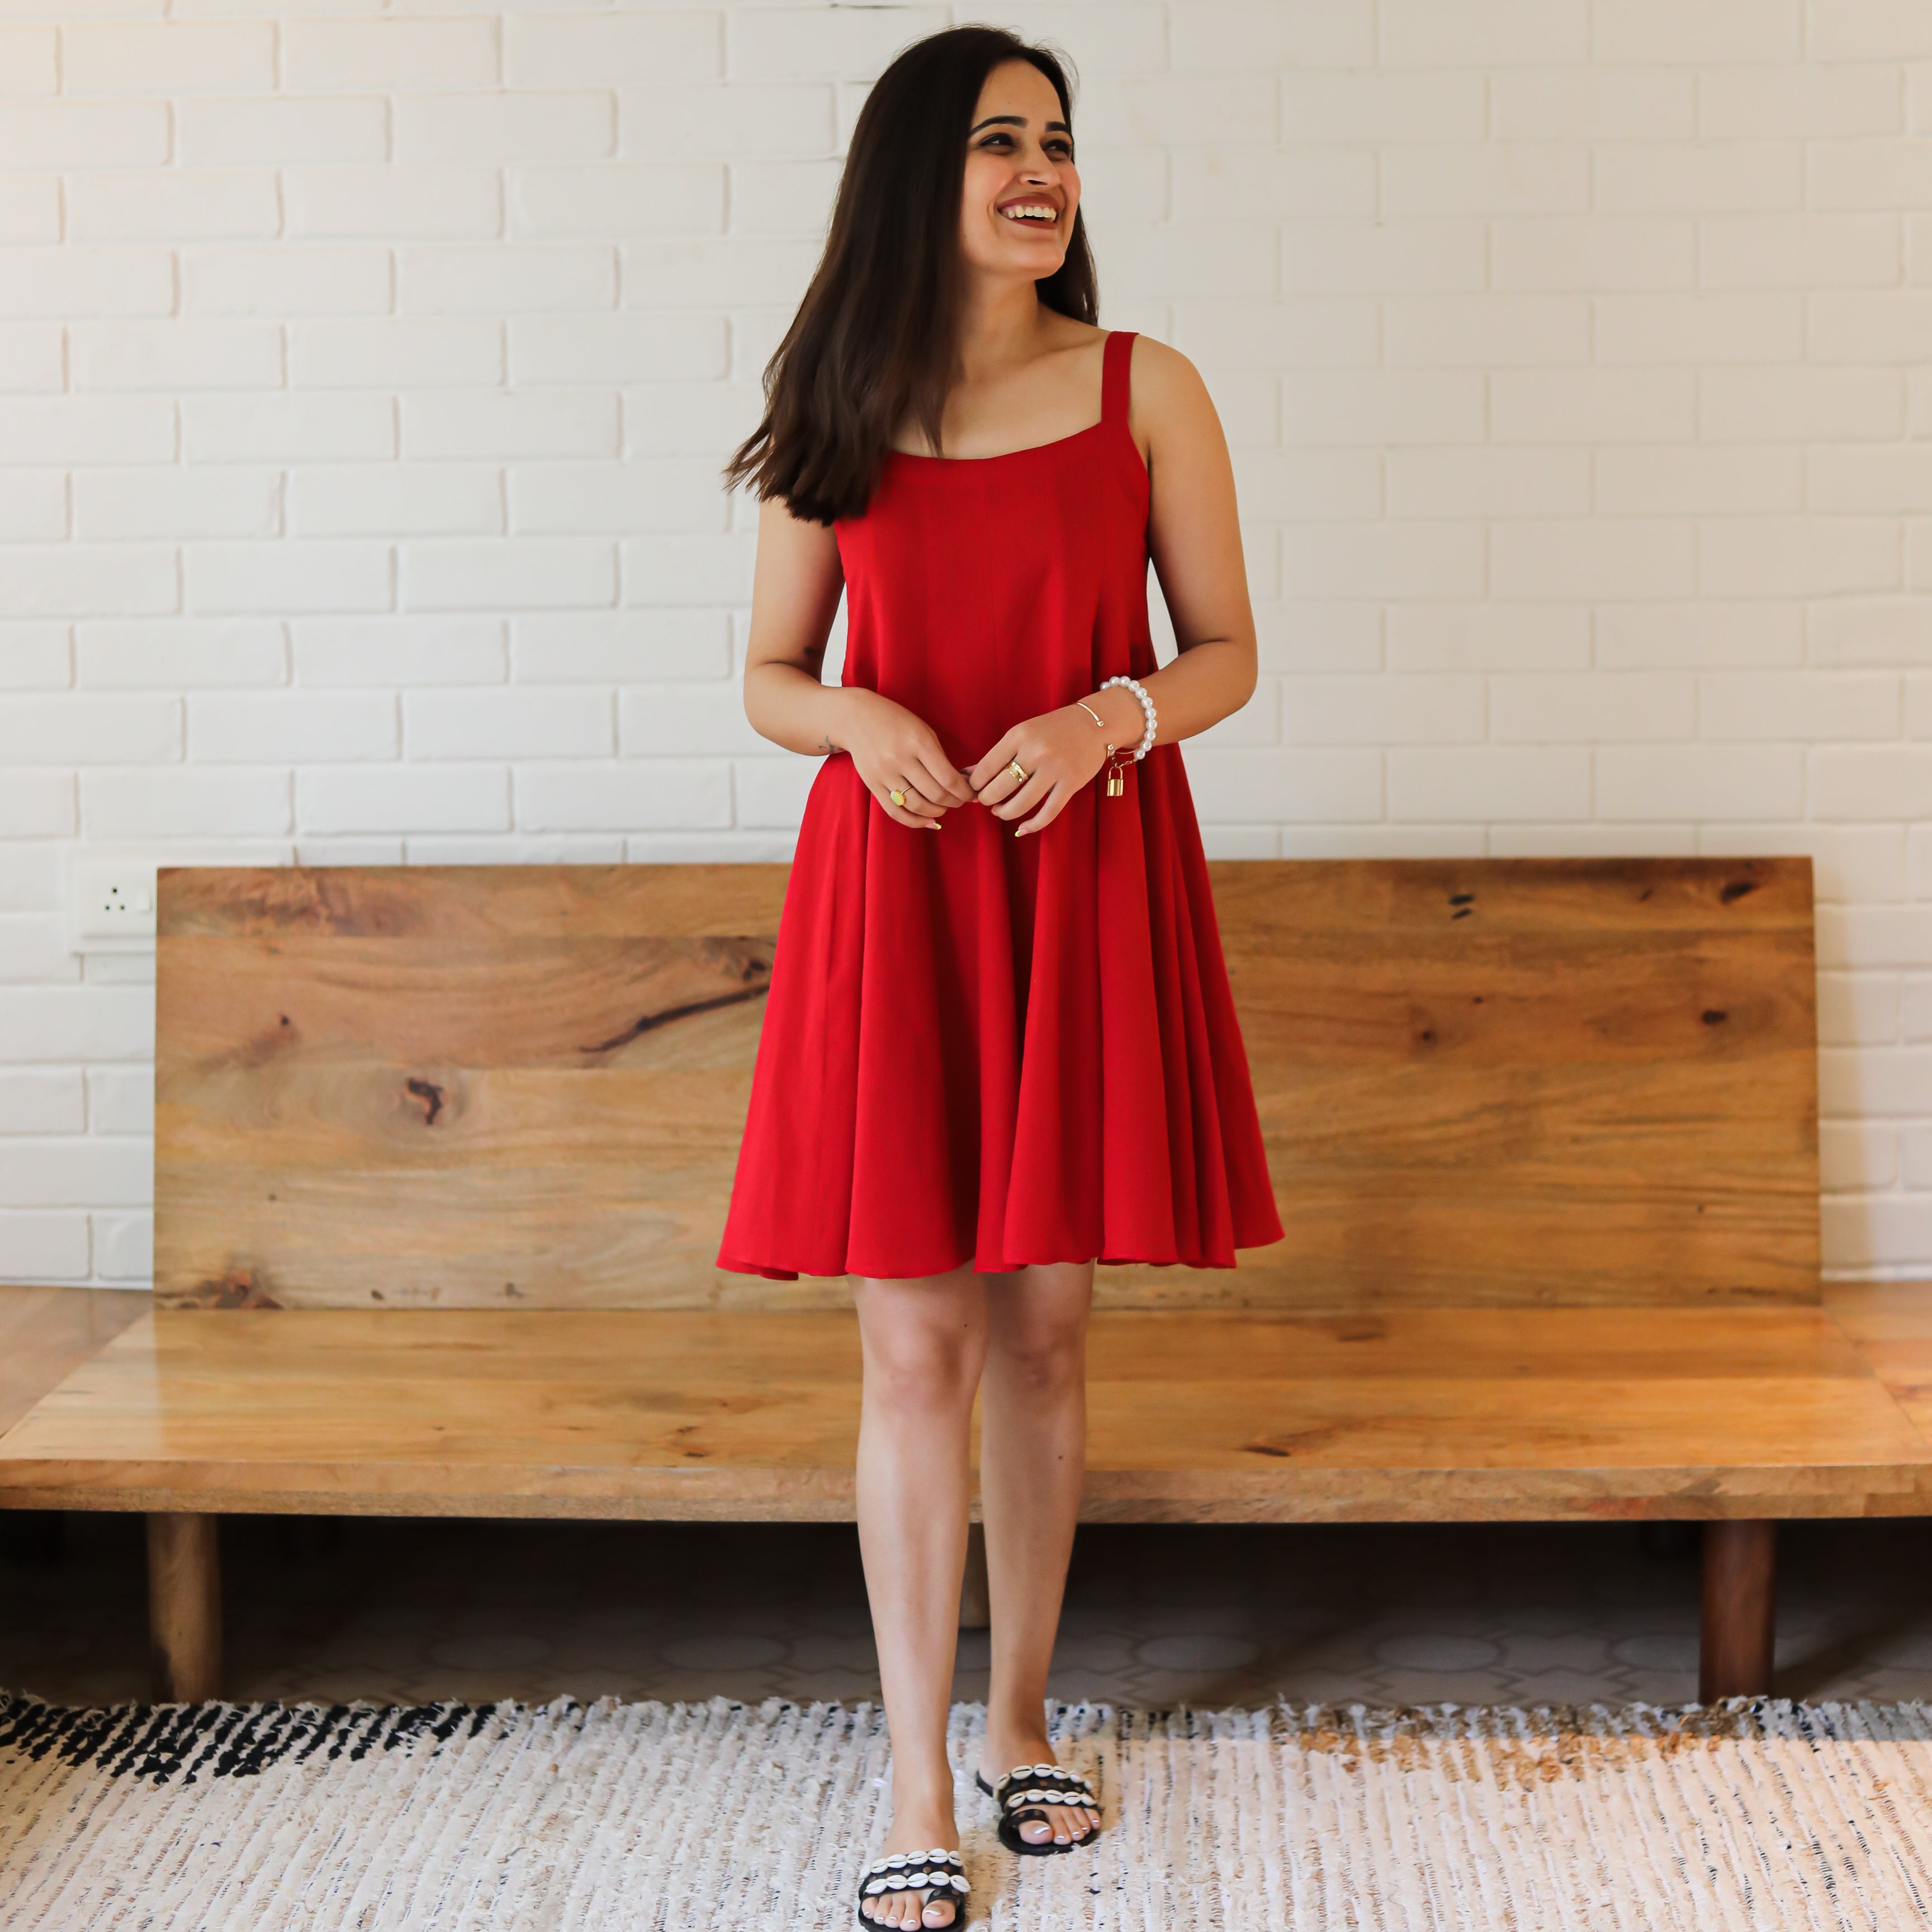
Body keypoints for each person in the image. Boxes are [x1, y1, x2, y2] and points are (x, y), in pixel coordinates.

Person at [715, 25, 1282, 1928]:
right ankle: (906, 1776)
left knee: (1044, 1330)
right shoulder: (841, 403)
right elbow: (771, 675)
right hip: (904, 894)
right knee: (914, 1345)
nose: (1043, 172)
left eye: (1058, 143)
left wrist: (1113, 715)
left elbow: (1224, 654)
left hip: (1081, 882)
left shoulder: (1147, 389)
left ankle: (1023, 1719)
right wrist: (853, 712)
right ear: (914, 180)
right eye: (999, 144)